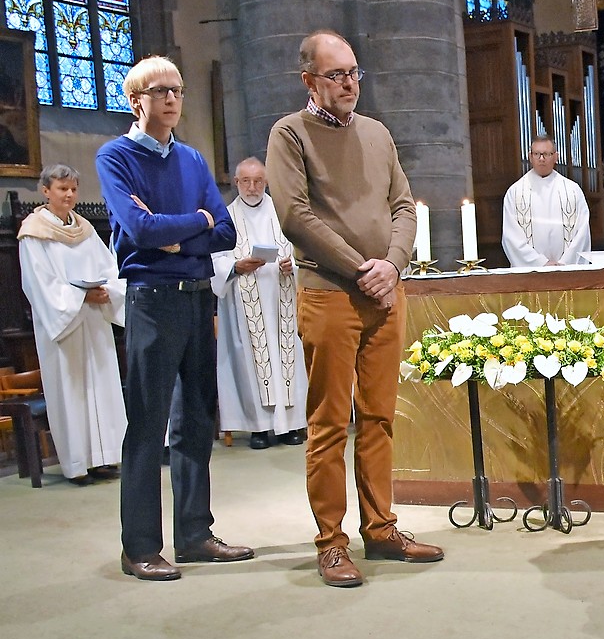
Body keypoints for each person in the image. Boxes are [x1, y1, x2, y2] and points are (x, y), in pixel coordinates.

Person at [266, 29, 444, 588]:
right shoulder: (289, 134)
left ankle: (382, 527)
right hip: (329, 293)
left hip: (385, 292)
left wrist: (391, 264)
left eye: (353, 73)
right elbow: (295, 215)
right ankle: (331, 542)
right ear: (309, 81)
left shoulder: (377, 133)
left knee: (379, 417)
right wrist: (360, 268)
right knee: (327, 425)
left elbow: (403, 206)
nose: (348, 84)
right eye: (336, 75)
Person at [96, 56, 254, 581]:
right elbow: (138, 230)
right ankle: (139, 545)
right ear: (135, 100)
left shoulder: (191, 159)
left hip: (196, 297)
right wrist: (196, 225)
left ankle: (194, 535)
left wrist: (179, 231)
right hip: (153, 299)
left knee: (194, 423)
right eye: (160, 90)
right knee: (147, 425)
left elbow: (226, 232)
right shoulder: (115, 157)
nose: (171, 99)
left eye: (178, 90)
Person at [17, 163, 125, 485]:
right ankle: (78, 464)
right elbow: (38, 284)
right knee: (72, 391)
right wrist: (79, 298)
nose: (69, 195)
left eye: (73, 189)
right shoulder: (34, 232)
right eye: (62, 189)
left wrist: (108, 291)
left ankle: (105, 458)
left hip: (93, 323)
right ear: (45, 191)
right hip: (64, 324)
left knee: (102, 387)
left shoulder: (85, 229)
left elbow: (110, 267)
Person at [212, 156, 307, 451]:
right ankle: (258, 427)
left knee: (287, 358)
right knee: (250, 363)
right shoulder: (225, 217)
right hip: (244, 303)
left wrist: (294, 264)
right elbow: (215, 259)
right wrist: (235, 266)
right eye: (246, 181)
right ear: (236, 183)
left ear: (266, 182)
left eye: (258, 181)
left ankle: (292, 424)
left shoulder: (283, 213)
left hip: (282, 299)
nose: (252, 187)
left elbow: (302, 249)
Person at [501, 135, 591, 267]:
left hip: (567, 272)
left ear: (556, 156)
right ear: (530, 157)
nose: (541, 159)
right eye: (537, 154)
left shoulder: (572, 190)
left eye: (547, 154)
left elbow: (582, 233)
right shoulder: (515, 192)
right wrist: (540, 263)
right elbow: (511, 237)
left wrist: (564, 263)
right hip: (531, 277)